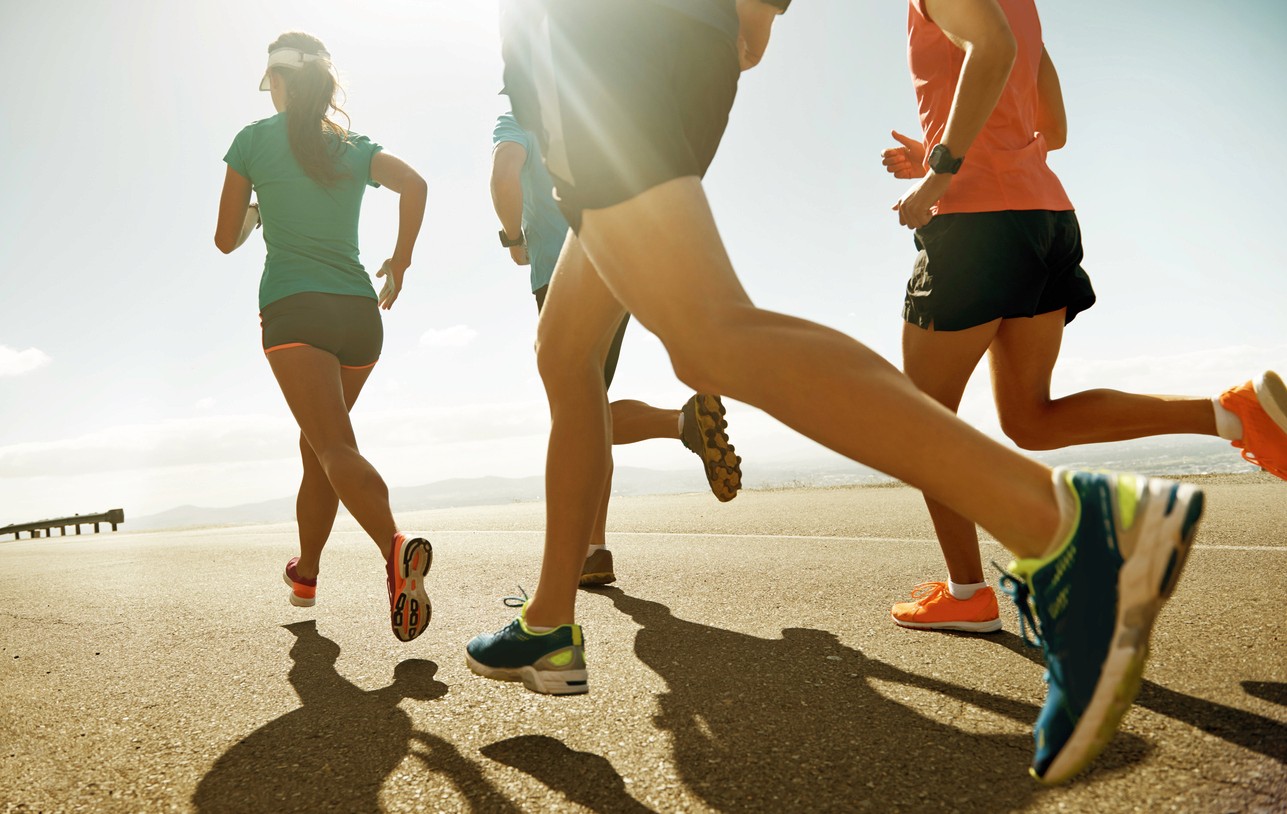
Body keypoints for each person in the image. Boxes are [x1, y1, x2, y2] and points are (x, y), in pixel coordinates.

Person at [468, 0, 1206, 785]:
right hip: (661, 50)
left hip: (591, 47)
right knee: (565, 347)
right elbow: (750, 39)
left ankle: (1066, 528)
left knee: (707, 337)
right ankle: (548, 619)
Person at [879, 0, 1287, 634]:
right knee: (1030, 418)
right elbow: (1053, 127)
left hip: (974, 227)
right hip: (1044, 217)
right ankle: (1237, 414)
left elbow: (992, 51)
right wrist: (939, 150)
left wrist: (938, 172)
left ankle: (971, 593)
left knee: (919, 424)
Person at [214, 32, 433, 642]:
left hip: (295, 310)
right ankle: (306, 572)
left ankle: (395, 548)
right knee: (319, 446)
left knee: (333, 445)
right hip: (361, 314)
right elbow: (415, 184)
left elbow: (224, 237)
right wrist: (402, 261)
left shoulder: (252, 141)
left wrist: (258, 211)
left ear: (279, 83)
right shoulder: (351, 146)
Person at [489, 111, 743, 586]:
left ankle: (586, 550)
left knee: (575, 413)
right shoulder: (590, 103)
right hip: (621, 262)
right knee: (587, 407)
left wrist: (513, 237)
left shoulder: (517, 116)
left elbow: (505, 176)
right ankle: (594, 548)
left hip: (562, 273)